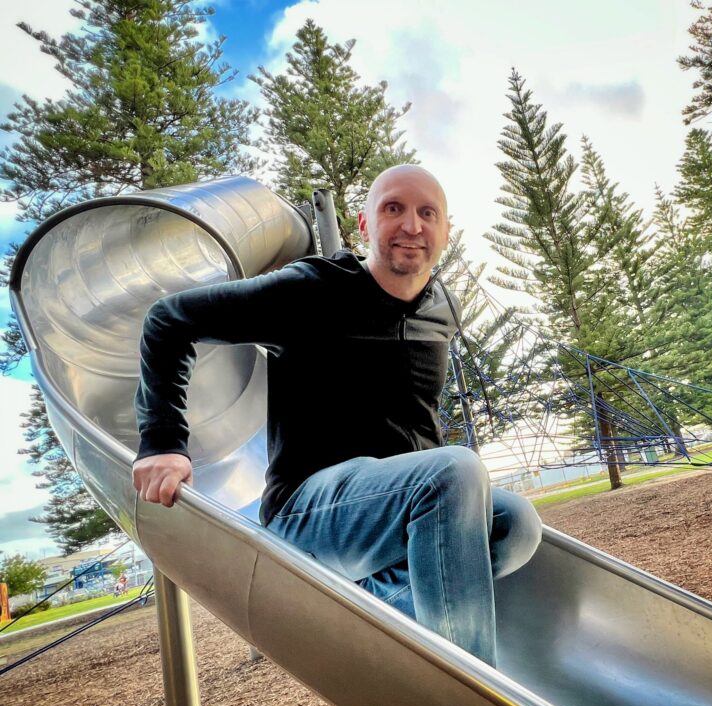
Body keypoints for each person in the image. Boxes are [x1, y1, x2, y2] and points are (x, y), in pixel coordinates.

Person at [132, 165, 541, 666]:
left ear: (446, 232)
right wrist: (163, 442)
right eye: (394, 208)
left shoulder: (442, 308)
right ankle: (477, 696)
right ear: (365, 225)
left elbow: (416, 418)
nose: (412, 225)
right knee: (454, 470)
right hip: (308, 512)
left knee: (514, 524)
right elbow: (168, 321)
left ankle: (372, 607)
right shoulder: (312, 290)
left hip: (395, 511)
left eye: (427, 213)